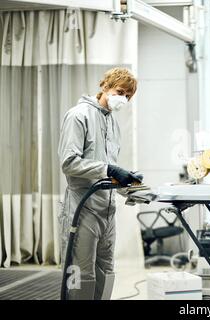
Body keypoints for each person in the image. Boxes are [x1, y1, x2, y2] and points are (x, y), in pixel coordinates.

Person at [58, 67, 142, 300]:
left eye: (128, 96)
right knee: (82, 273)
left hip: (107, 210)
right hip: (82, 207)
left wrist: (131, 186)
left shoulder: (113, 124)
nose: (123, 98)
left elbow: (110, 171)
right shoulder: (79, 116)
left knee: (106, 271)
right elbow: (69, 162)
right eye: (119, 91)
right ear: (104, 86)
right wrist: (108, 169)